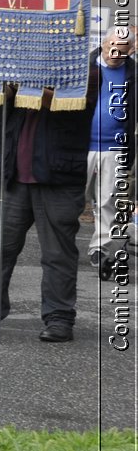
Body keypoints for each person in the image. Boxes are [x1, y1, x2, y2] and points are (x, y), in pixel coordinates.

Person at [0, 79, 94, 343]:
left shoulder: (83, 68)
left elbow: (77, 104)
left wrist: (28, 86)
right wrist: (7, 84)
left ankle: (59, 318)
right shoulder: (19, 61)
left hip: (58, 178)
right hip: (12, 173)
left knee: (57, 255)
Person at [87, 26, 134, 280]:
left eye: (121, 50)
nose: (114, 53)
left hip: (115, 147)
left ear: (131, 51)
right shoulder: (86, 67)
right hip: (80, 144)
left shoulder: (133, 73)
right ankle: (61, 246)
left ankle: (99, 248)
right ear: (104, 43)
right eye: (111, 47)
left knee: (107, 201)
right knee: (69, 198)